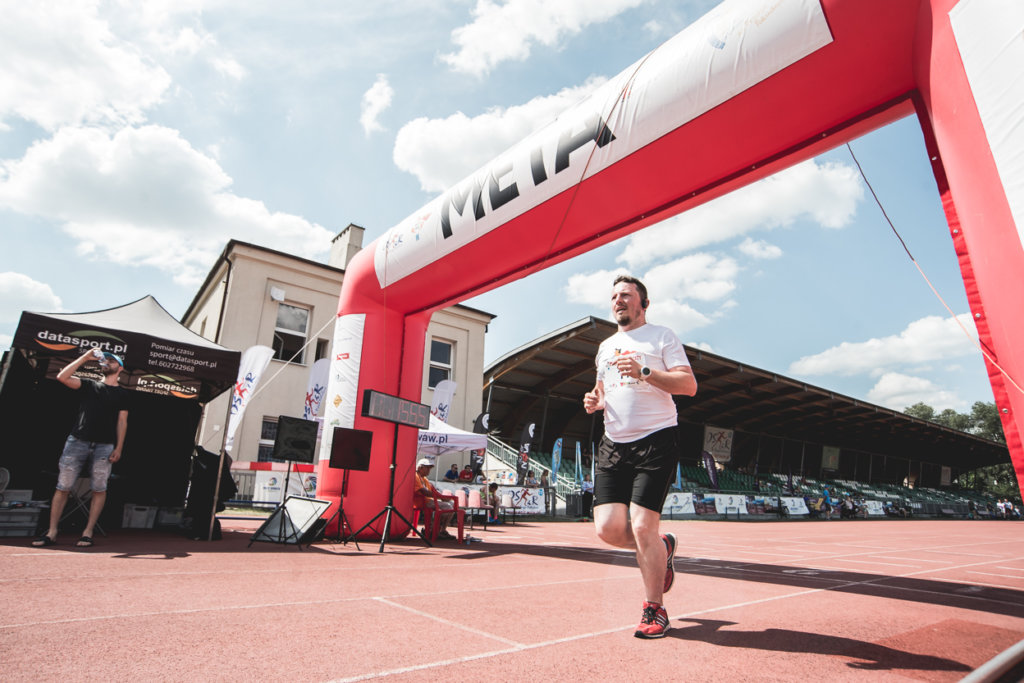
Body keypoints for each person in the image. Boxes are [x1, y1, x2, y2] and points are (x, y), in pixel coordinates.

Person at [582, 274, 697, 639]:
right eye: (614, 296)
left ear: (643, 304)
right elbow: (602, 390)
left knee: (643, 525)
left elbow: (688, 385)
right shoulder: (605, 347)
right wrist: (595, 400)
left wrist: (645, 372)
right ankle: (662, 548)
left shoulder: (662, 336)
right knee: (608, 529)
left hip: (656, 439)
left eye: (626, 295)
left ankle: (655, 609)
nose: (618, 300)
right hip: (613, 443)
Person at [33, 348, 130, 548]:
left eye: (112, 361)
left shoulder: (123, 394)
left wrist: (119, 447)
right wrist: (85, 357)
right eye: (105, 360)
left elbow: (122, 422)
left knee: (99, 488)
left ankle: (88, 531)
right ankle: (52, 531)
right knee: (63, 486)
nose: (107, 363)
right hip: (78, 441)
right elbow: (62, 377)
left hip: (105, 445)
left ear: (120, 368)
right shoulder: (89, 385)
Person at [414, 458, 455, 539]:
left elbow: (433, 491)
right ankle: (434, 530)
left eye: (430, 468)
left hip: (427, 500)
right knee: (447, 506)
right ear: (420, 468)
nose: (429, 470)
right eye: (427, 468)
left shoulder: (425, 479)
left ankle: (442, 530)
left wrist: (443, 498)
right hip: (421, 502)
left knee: (452, 504)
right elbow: (425, 492)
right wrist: (441, 497)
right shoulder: (416, 477)